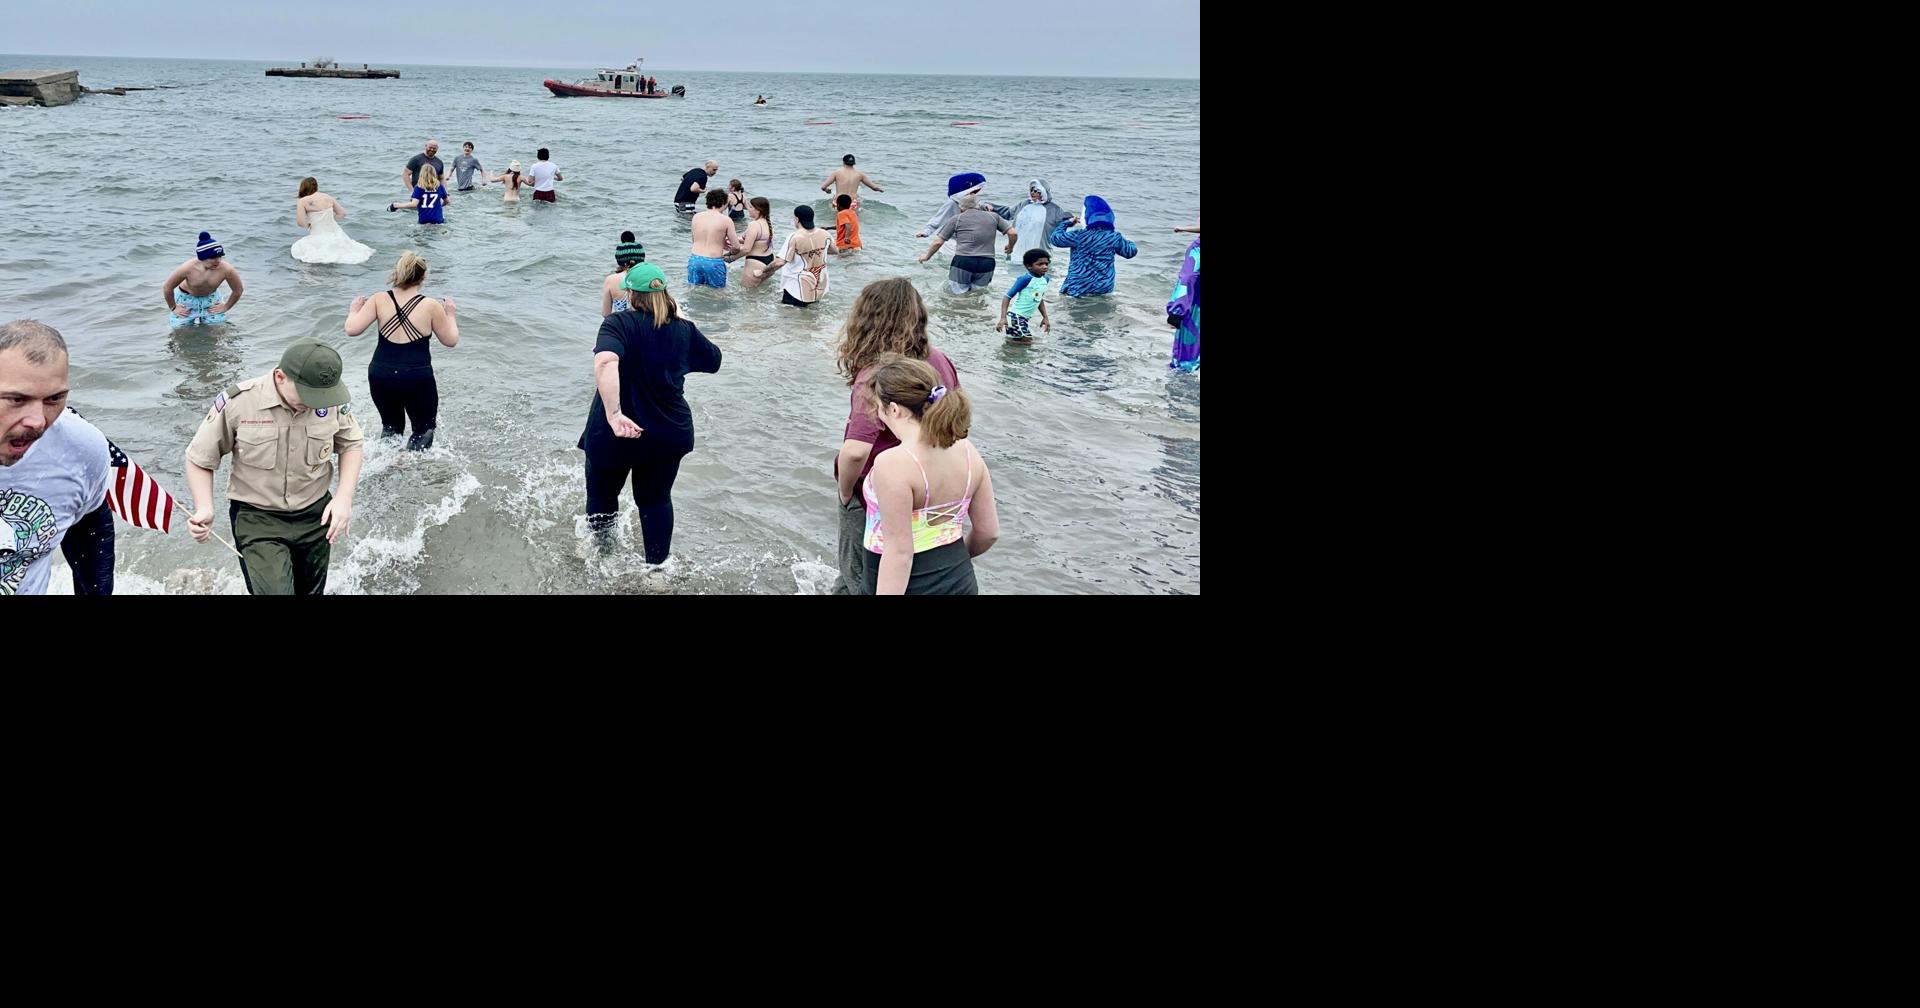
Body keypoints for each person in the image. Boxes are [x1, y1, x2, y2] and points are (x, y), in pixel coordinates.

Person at [184, 339, 364, 595]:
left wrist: (344, 498)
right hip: (258, 518)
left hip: (316, 515)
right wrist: (205, 506)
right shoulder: (239, 401)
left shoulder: (329, 398)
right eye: (307, 395)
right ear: (280, 377)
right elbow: (200, 457)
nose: (315, 403)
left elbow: (351, 445)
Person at [579, 262, 722, 566]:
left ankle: (601, 561)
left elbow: (606, 362)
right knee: (655, 500)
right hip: (668, 432)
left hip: (613, 433)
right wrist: (682, 321)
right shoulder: (683, 329)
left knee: (602, 497)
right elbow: (713, 361)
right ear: (666, 294)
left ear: (631, 295)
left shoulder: (619, 324)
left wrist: (615, 413)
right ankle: (656, 570)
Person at [829, 279, 961, 595]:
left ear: (866, 319)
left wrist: (846, 494)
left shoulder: (876, 372)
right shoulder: (939, 359)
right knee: (905, 570)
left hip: (878, 491)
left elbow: (856, 451)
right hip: (931, 487)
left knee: (858, 576)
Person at [859, 356, 998, 595]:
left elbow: (899, 554)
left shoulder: (893, 463)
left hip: (907, 586)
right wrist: (951, 561)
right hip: (960, 579)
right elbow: (988, 532)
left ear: (894, 409)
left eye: (879, 407)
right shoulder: (967, 450)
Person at [0, 320, 111, 596]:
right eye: (16, 399)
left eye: (54, 399)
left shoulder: (80, 448)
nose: (38, 422)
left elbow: (90, 529)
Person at [342, 251, 459, 451]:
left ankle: (386, 467)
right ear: (423, 277)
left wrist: (354, 310)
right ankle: (410, 467)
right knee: (424, 429)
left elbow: (352, 329)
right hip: (415, 376)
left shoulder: (379, 299)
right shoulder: (430, 305)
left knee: (391, 427)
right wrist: (450, 314)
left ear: (396, 273)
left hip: (380, 374)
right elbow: (451, 340)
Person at [915, 194, 1009, 294]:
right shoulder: (994, 217)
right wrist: (1010, 247)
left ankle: (958, 309)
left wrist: (926, 257)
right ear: (978, 205)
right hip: (987, 263)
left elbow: (938, 242)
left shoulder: (957, 219)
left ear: (961, 208)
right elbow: (1013, 233)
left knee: (957, 295)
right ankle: (976, 310)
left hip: (963, 261)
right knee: (978, 294)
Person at [1050, 195, 1138, 297]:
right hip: (1103, 286)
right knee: (1101, 312)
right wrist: (1130, 242)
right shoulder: (1113, 237)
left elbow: (1055, 239)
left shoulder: (1079, 235)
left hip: (1079, 285)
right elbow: (1130, 252)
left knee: (1076, 311)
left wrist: (1066, 223)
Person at [982, 178, 1073, 265]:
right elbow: (1008, 213)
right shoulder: (1024, 204)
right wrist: (992, 207)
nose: (1033, 193)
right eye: (1031, 190)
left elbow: (1065, 221)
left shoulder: (1054, 209)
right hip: (1016, 253)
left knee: (1037, 278)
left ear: (1043, 191)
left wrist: (1072, 219)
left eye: (1036, 190)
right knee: (1015, 277)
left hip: (1040, 255)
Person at [163, 232, 244, 328]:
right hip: (186, 300)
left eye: (220, 256)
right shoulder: (187, 268)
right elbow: (167, 287)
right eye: (213, 257)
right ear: (202, 257)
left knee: (216, 330)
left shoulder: (226, 269)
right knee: (181, 333)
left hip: (210, 300)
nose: (218, 260)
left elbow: (238, 290)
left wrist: (226, 306)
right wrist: (173, 307)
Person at [292, 176, 374, 264]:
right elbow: (342, 213)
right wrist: (329, 220)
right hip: (336, 234)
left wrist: (309, 225)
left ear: (303, 187)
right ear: (316, 186)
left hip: (318, 235)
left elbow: (300, 222)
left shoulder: (303, 201)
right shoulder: (328, 197)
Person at [766, 204, 834, 308]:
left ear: (797, 219)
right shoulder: (825, 234)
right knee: (810, 319)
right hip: (818, 285)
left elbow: (780, 262)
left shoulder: (795, 237)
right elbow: (835, 250)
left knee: (790, 319)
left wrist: (762, 271)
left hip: (796, 288)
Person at [997, 249, 1053, 344]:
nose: (1044, 267)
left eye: (1046, 264)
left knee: (1017, 343)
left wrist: (1045, 317)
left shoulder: (1045, 279)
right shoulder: (1025, 279)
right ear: (1029, 266)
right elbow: (1007, 297)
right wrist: (1003, 318)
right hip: (1016, 317)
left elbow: (1039, 299)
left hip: (1024, 319)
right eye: (1040, 264)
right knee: (1028, 342)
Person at [688, 190, 741, 288]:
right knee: (717, 295)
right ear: (724, 203)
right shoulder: (726, 220)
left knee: (694, 290)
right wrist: (730, 253)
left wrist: (719, 241)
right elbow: (736, 247)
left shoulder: (696, 217)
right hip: (713, 262)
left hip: (695, 259)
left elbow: (694, 240)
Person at [1166, 235, 1199, 372]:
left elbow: (1188, 278)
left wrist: (1176, 311)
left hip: (1195, 309)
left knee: (1185, 364)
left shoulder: (1197, 249)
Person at [917, 171, 986, 238]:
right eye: (972, 192)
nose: (974, 195)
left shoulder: (974, 202)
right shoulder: (952, 203)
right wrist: (926, 232)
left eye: (975, 192)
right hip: (953, 240)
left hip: (971, 238)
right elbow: (938, 218)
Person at [602, 232, 648, 316]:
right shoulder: (648, 277)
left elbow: (605, 314)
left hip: (622, 325)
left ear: (619, 260)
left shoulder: (611, 280)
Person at [737, 197, 777, 287]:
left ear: (758, 210)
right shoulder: (768, 223)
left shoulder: (754, 225)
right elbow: (757, 241)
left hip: (755, 262)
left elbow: (746, 249)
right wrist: (735, 239)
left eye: (751, 207)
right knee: (759, 295)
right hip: (769, 260)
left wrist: (730, 258)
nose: (748, 209)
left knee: (747, 295)